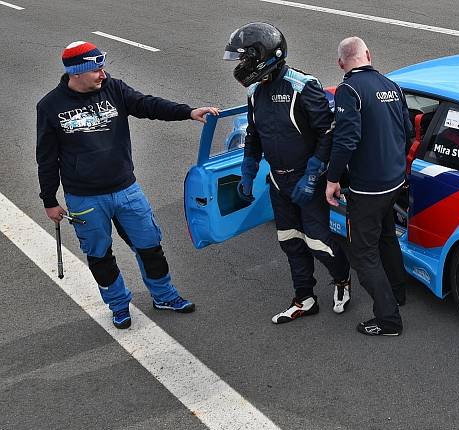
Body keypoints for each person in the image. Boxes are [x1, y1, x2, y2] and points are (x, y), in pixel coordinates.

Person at [36, 41, 219, 329]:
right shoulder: (50, 107)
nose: (103, 74)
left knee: (150, 246)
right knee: (99, 255)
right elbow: (46, 159)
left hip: (126, 189)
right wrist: (49, 200)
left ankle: (164, 295)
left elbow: (148, 104)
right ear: (77, 72)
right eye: (96, 69)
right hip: (85, 199)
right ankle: (119, 305)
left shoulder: (114, 89)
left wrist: (189, 112)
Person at [224, 22, 351, 324]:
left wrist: (312, 175)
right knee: (289, 240)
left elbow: (327, 134)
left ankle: (342, 280)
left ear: (262, 56)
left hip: (308, 180)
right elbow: (254, 134)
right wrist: (248, 170)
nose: (240, 66)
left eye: (244, 59)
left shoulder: (303, 86)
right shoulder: (255, 91)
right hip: (278, 181)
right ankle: (304, 299)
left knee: (318, 241)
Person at [325, 37, 413, 337]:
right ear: (368, 55)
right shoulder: (391, 85)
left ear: (341, 63)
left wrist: (333, 178)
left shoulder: (348, 91)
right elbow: (409, 129)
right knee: (387, 236)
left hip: (367, 188)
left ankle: (388, 320)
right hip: (395, 181)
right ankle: (398, 293)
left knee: (363, 254)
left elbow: (346, 140)